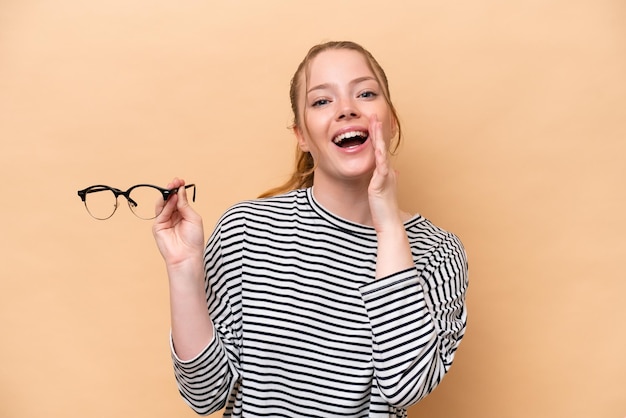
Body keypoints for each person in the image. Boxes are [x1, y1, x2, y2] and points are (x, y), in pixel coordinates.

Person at [152, 40, 468, 417]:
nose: (346, 109)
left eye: (365, 93)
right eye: (322, 101)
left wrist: (388, 227)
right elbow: (206, 395)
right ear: (301, 134)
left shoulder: (438, 252)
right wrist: (183, 270)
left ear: (391, 119)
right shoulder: (247, 230)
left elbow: (406, 386)